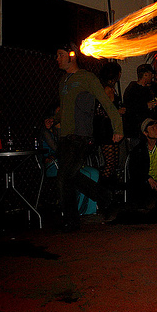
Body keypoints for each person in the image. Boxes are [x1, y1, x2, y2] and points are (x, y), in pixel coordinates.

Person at [51, 43, 123, 231]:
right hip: (65, 136)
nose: (56, 58)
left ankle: (71, 221)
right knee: (70, 177)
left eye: (60, 54)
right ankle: (106, 198)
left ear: (71, 56)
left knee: (63, 178)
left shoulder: (87, 78)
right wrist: (53, 119)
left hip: (80, 136)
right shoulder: (63, 81)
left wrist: (118, 127)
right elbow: (64, 108)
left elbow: (107, 103)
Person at [94, 62, 126, 190]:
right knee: (110, 163)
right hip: (106, 130)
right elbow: (101, 110)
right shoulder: (107, 89)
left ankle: (107, 190)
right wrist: (118, 112)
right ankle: (100, 190)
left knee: (113, 162)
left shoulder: (108, 88)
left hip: (110, 129)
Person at [123, 63, 157, 149]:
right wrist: (146, 106)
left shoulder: (149, 89)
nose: (152, 76)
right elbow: (129, 109)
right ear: (145, 74)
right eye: (150, 74)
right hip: (136, 131)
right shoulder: (132, 89)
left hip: (147, 132)